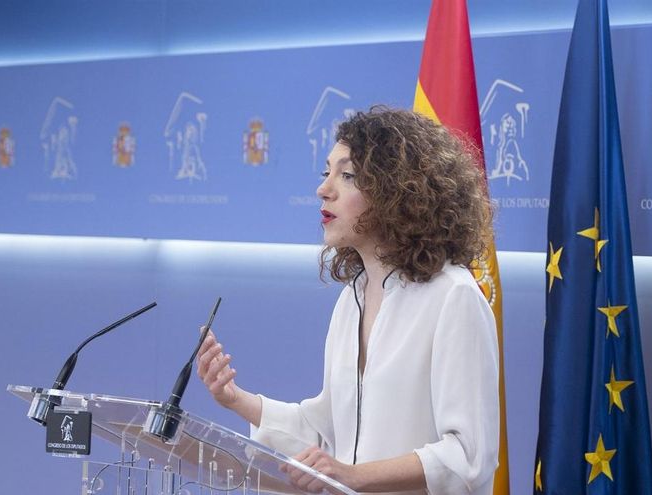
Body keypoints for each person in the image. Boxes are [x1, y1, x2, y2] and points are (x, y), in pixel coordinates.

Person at [197, 107, 500, 494]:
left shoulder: (453, 297)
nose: (324, 189)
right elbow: (326, 432)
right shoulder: (352, 298)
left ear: (398, 192)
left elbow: (468, 456)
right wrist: (236, 399)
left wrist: (353, 476)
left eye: (348, 175)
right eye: (327, 172)